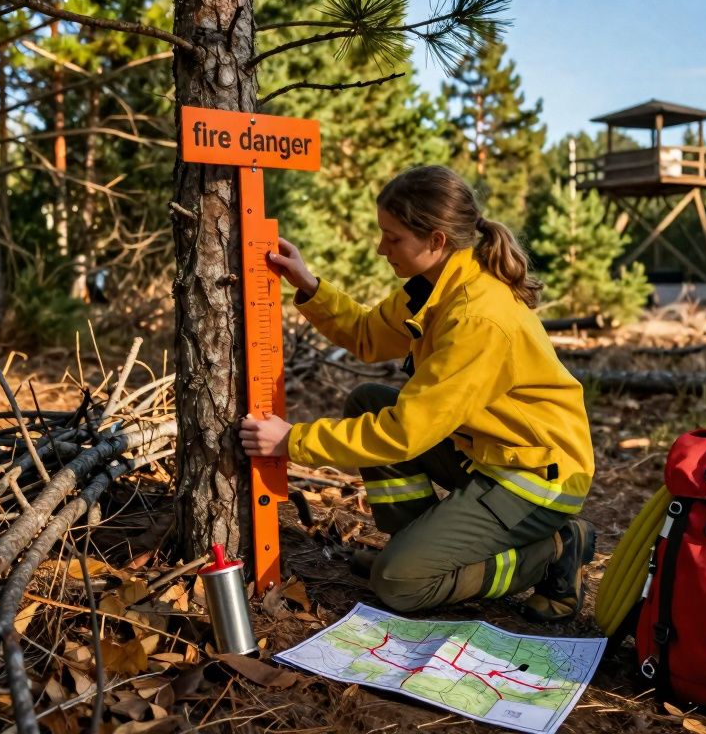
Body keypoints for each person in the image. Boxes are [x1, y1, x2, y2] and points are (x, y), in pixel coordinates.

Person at [240, 165, 595, 621]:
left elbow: (406, 432)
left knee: (399, 583)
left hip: (534, 479)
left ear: (436, 240)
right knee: (368, 400)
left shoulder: (477, 319)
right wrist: (309, 286)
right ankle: (417, 546)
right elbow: (368, 334)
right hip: (489, 453)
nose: (381, 247)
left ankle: (554, 550)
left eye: (393, 238)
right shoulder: (434, 288)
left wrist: (294, 441)